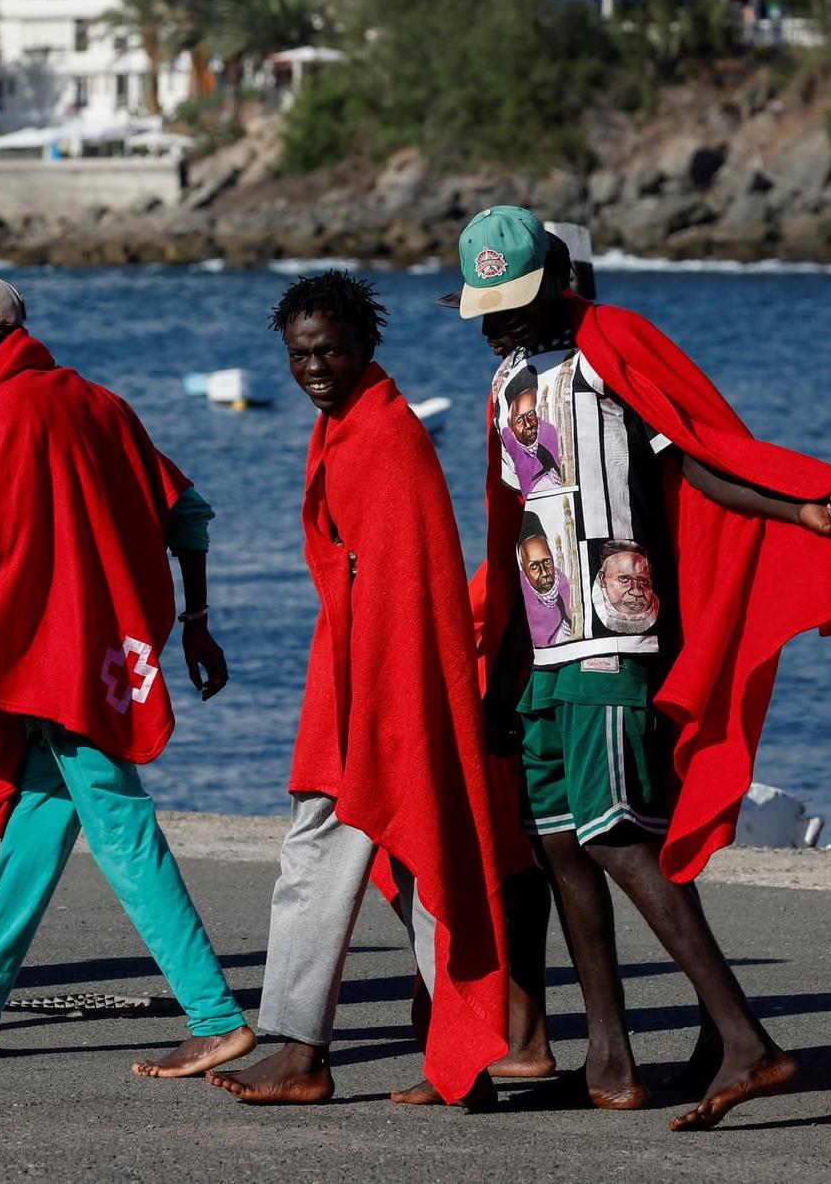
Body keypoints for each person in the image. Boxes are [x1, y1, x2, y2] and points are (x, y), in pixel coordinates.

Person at [451, 205, 831, 1128]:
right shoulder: (506, 382)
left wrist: (801, 511)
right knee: (562, 842)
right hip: (542, 646)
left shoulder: (611, 347)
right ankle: (610, 1059)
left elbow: (697, 455)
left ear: (555, 281)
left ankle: (747, 1040)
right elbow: (509, 531)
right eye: (484, 307)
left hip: (618, 628)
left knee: (618, 834)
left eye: (513, 301)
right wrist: (501, 667)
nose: (496, 321)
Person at [0, 275, 254, 1079]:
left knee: (122, 825)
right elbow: (190, 510)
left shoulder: (7, 409)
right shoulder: (99, 401)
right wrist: (197, 622)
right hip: (94, 658)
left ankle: (215, 1015)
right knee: (40, 817)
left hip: (58, 665)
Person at [209, 273, 532, 1108]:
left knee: (332, 854)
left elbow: (405, 592)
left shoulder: (385, 438)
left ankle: (301, 1048)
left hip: (385, 689)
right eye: (299, 353)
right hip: (361, 680)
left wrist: (379, 711)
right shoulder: (346, 425)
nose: (313, 365)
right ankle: (459, 1057)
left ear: (366, 347)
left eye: (330, 349)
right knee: (421, 859)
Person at [500, 366, 562, 495]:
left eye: (530, 415)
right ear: (510, 425)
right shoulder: (510, 441)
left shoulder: (549, 432)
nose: (528, 424)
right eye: (520, 420)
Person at [518, 512, 577, 647]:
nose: (544, 573)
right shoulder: (520, 593)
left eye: (546, 562)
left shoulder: (565, 585)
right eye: (534, 566)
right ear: (523, 568)